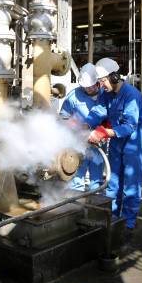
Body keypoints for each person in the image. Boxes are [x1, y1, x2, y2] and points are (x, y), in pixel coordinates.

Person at [87, 58, 142, 233]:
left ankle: (128, 223)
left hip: (133, 144)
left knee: (130, 185)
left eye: (103, 80)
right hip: (116, 143)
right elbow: (99, 111)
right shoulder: (106, 94)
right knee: (113, 183)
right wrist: (84, 124)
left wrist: (104, 133)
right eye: (100, 81)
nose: (102, 85)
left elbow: (129, 126)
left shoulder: (132, 95)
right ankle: (112, 218)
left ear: (114, 77)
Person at [59, 63, 104, 191]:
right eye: (85, 87)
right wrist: (74, 127)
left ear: (97, 82)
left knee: (97, 171)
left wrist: (101, 132)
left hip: (98, 138)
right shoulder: (73, 96)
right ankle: (76, 199)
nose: (89, 89)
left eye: (91, 86)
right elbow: (64, 117)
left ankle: (96, 196)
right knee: (77, 170)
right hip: (78, 140)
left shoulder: (105, 95)